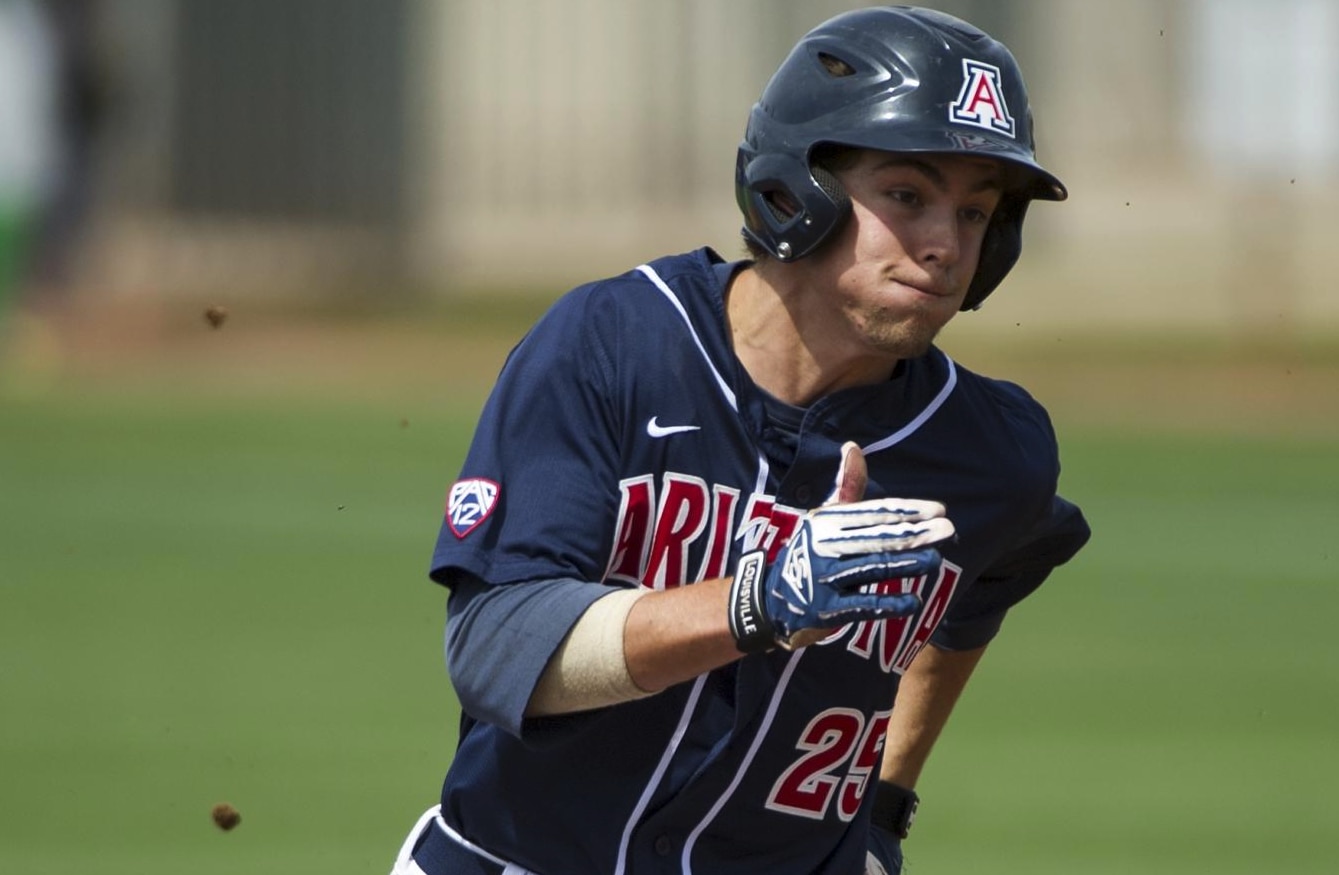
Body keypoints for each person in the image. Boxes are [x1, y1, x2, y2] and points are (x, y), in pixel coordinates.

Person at [389, 6, 1090, 875]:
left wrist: (884, 804)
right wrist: (758, 602)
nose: (945, 245)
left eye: (977, 212)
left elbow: (1002, 561)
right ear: (795, 189)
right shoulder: (616, 343)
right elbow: (498, 647)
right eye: (906, 196)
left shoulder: (988, 449)